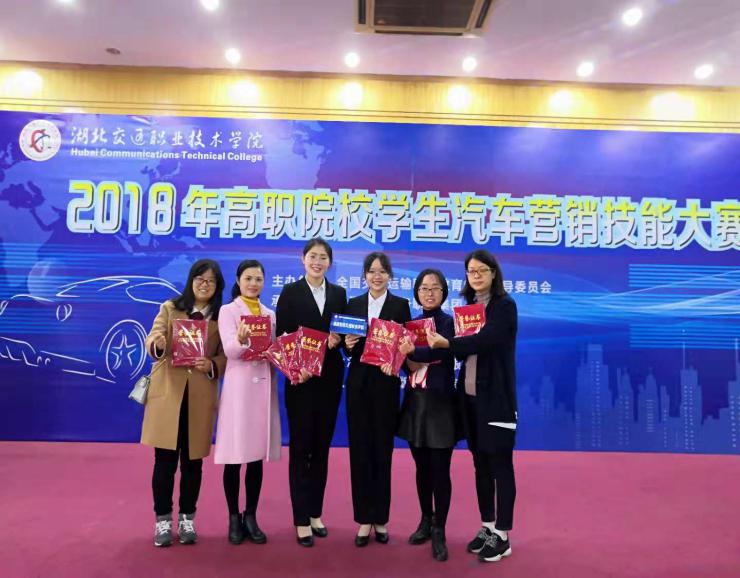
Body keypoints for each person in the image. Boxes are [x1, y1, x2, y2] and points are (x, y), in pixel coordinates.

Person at [426, 249, 518, 563]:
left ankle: (503, 535)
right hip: (469, 400)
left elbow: (485, 341)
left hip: (496, 402)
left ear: (493, 273)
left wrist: (448, 343)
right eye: (471, 271)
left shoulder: (504, 306)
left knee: (500, 466)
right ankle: (488, 526)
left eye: (481, 270)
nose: (476, 276)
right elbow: (465, 351)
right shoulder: (468, 309)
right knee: (480, 465)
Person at [141, 259, 226, 547]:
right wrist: (157, 344)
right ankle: (162, 519)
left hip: (200, 398)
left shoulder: (221, 317)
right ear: (191, 281)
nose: (205, 284)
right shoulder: (170, 308)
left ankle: (188, 518)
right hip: (169, 397)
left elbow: (226, 356)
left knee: (193, 464)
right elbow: (153, 336)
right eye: (200, 279)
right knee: (164, 462)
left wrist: (212, 364)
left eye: (211, 281)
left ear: (217, 286)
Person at [275, 238, 347, 547]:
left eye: (323, 257)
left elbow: (345, 335)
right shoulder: (290, 292)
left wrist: (339, 340)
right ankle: (301, 518)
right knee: (300, 448)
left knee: (321, 449)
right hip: (300, 382)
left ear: (330, 262)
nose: (317, 262)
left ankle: (315, 512)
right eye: (313, 256)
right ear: (303, 259)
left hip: (329, 380)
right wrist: (297, 369)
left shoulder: (339, 294)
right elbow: (282, 336)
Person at [344, 252, 411, 546]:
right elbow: (346, 346)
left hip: (386, 384)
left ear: (390, 276)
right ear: (364, 275)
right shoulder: (353, 304)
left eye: (382, 271)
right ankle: (363, 519)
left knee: (383, 451)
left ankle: (380, 518)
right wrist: (347, 345)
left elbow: (406, 345)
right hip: (358, 384)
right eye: (372, 271)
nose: (377, 276)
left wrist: (395, 359)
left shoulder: (400, 305)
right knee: (359, 451)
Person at [214, 259, 281, 545]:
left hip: (263, 387)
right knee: (234, 456)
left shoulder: (269, 314)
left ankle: (251, 515)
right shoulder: (228, 311)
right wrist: (242, 340)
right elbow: (230, 350)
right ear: (239, 281)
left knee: (255, 457)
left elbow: (273, 350)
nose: (253, 283)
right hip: (239, 390)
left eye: (258, 279)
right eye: (248, 278)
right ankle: (233, 516)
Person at [397, 269, 459, 562]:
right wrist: (404, 357)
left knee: (440, 470)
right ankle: (425, 519)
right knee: (421, 468)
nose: (429, 293)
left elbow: (445, 354)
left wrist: (414, 353)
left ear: (444, 292)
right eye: (424, 288)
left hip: (441, 406)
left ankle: (440, 530)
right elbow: (402, 361)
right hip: (415, 404)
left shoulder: (450, 324)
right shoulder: (409, 325)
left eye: (435, 288)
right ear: (417, 293)